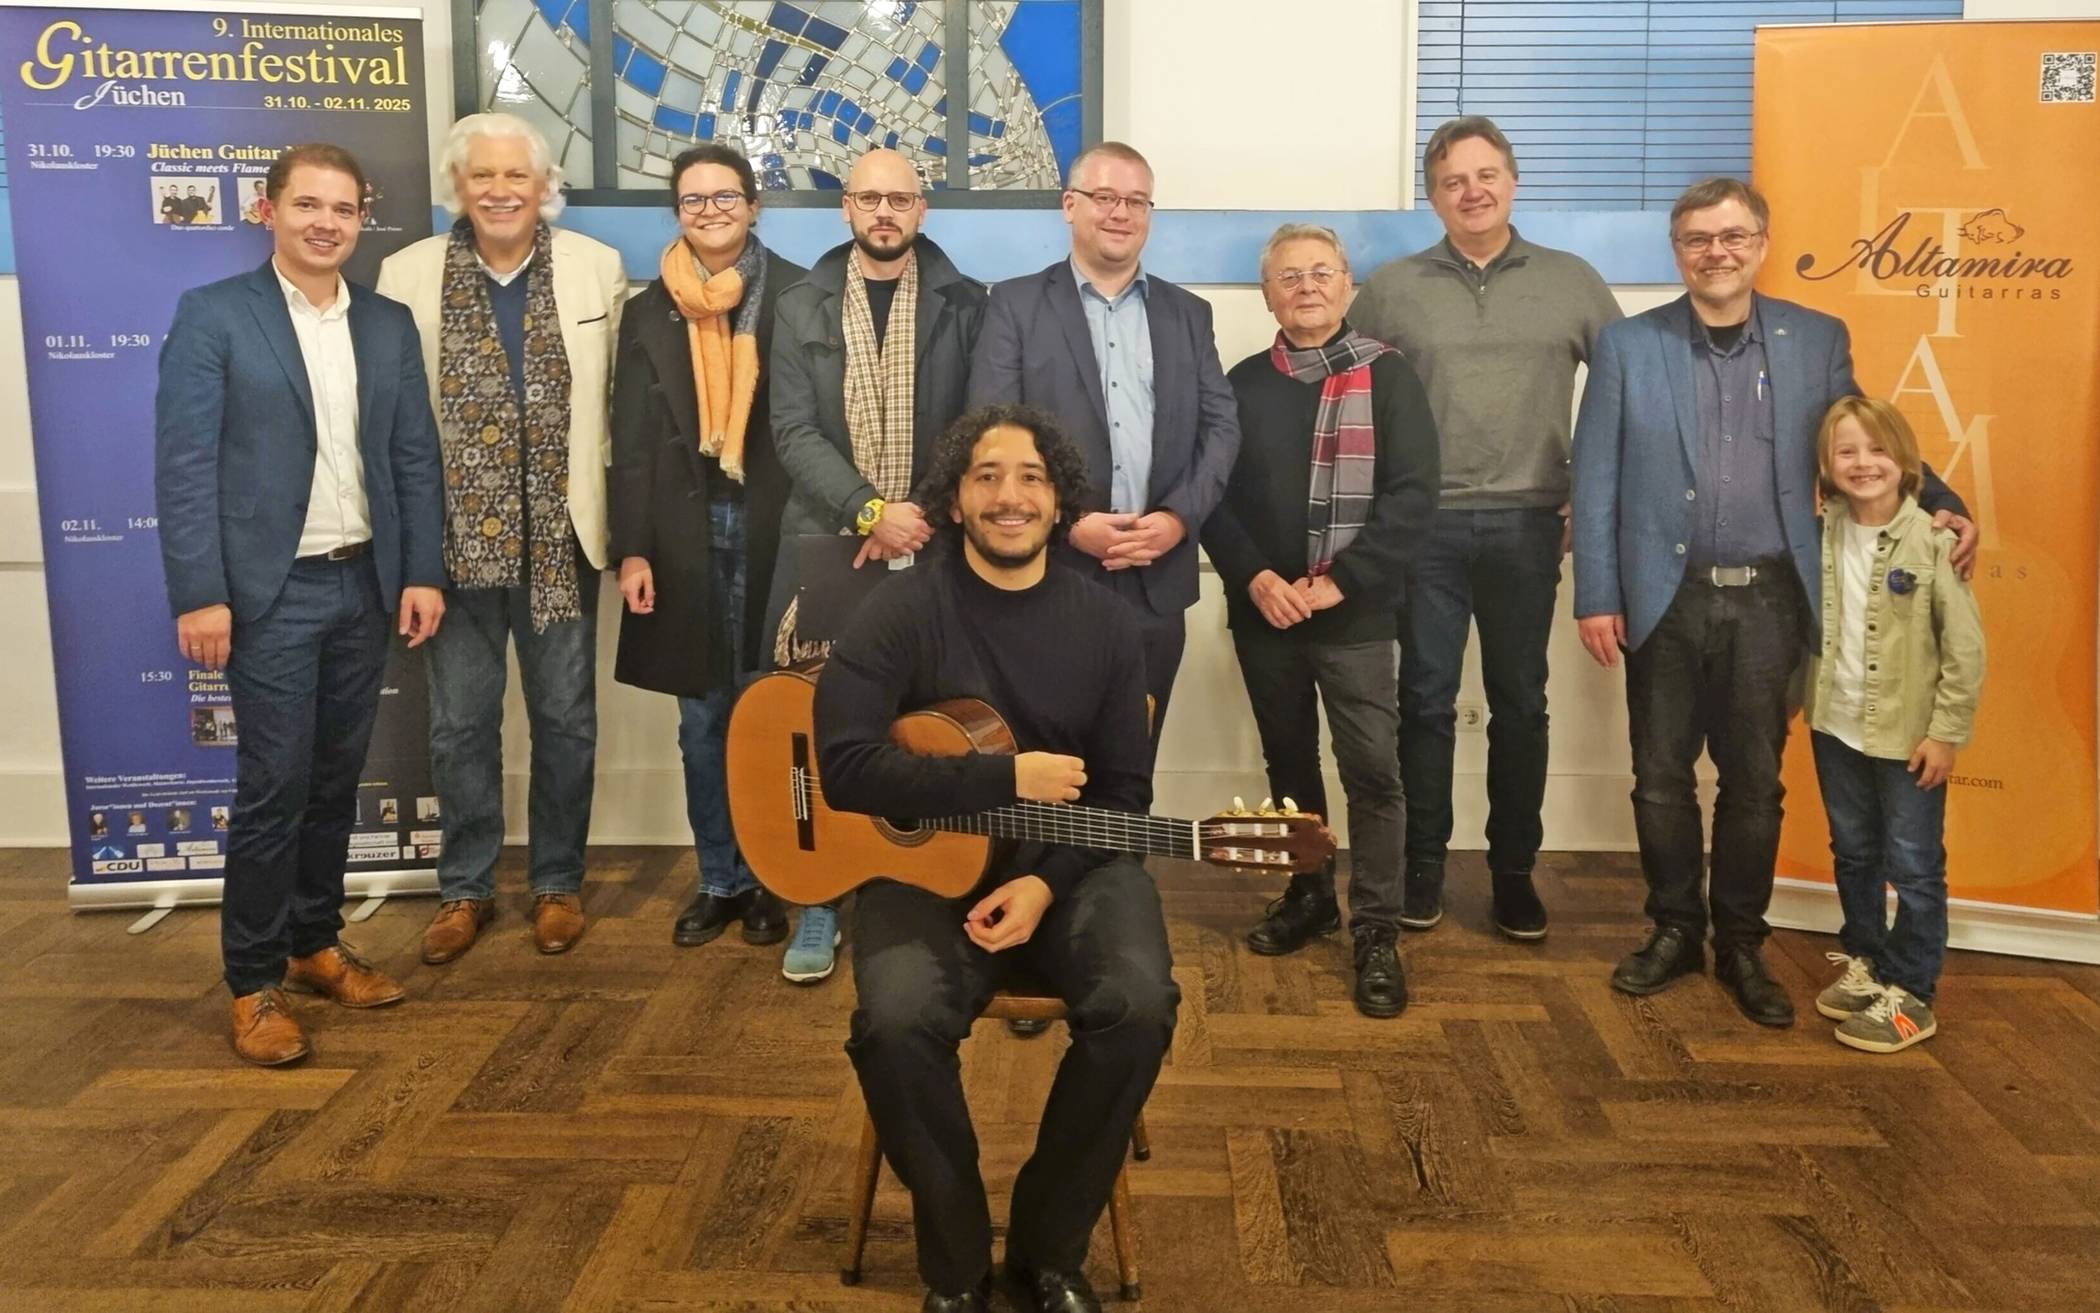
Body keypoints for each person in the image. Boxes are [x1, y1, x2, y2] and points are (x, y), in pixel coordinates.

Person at [1571, 176, 1976, 1027]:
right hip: (1662, 600)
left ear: (1759, 243)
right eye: (1697, 239)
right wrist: (1597, 594)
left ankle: (1741, 944)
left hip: (1771, 602)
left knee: (1755, 784)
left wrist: (1942, 497)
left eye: (1732, 237)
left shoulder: (1815, 339)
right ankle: (1675, 929)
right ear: (1677, 251)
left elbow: (1859, 433)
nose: (1715, 252)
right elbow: (1595, 474)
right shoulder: (1626, 345)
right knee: (1658, 779)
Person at [816, 404, 1176, 1313]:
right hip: (923, 877)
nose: (1008, 495)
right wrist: (1002, 776)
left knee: (1138, 1005)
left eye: (1030, 478)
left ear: (1060, 503)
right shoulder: (900, 609)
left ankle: (1050, 1250)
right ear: (955, 497)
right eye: (986, 476)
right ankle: (959, 1259)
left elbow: (1122, 798)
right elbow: (848, 767)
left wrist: (1039, 884)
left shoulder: (1107, 623)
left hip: (1072, 868)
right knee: (894, 1023)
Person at [154, 143, 446, 1066]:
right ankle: (252, 983)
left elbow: (413, 458)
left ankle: (314, 943)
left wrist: (421, 571)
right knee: (273, 788)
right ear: (268, 209)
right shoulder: (213, 317)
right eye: (308, 204)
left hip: (364, 584)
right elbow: (185, 467)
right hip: (267, 595)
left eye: (344, 208)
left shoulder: (389, 324)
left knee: (332, 783)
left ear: (363, 218)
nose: (327, 222)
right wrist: (200, 593)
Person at [1351, 116, 1623, 940]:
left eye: (1485, 175)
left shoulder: (1573, 280)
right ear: (1432, 197)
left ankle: (1513, 873)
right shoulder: (1393, 287)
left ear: (1513, 180)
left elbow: (1624, 396)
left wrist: (1591, 487)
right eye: (1452, 181)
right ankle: (1424, 866)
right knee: (1425, 702)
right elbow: (1351, 403)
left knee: (1522, 704)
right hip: (1422, 529)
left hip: (1530, 525)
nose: (1471, 191)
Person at [377, 112, 628, 963]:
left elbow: (619, 415)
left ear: (542, 184)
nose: (498, 191)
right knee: (458, 725)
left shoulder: (596, 269)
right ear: (458, 187)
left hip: (562, 537)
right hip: (451, 546)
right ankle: (466, 890)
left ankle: (557, 882)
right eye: (481, 176)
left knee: (566, 720)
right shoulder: (405, 275)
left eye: (514, 176)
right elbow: (396, 426)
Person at [760, 146, 987, 985]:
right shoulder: (800, 302)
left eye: (900, 199)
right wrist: (867, 511)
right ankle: (820, 895)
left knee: (938, 717)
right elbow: (791, 431)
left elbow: (977, 424)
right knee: (820, 716)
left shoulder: (968, 302)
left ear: (922, 209)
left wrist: (912, 517)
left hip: (934, 540)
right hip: (829, 538)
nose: (884, 213)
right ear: (845, 208)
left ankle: (938, 884)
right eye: (869, 199)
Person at [1202, 223, 1438, 1018]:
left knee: (1374, 773)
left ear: (1347, 285)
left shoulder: (1391, 379)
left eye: (1322, 272)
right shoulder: (1237, 385)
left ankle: (1376, 929)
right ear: (1267, 294)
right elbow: (1213, 499)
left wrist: (1342, 583)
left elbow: (1413, 499)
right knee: (1289, 767)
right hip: (1264, 610)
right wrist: (1258, 577)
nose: (1307, 286)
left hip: (1357, 615)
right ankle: (1309, 897)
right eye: (1289, 277)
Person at [967, 141, 1239, 740]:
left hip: (1155, 576)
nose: (1121, 213)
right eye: (1105, 197)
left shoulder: (1188, 314)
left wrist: (1177, 519)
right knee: (1044, 764)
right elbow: (992, 436)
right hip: (1048, 571)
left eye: (1136, 201)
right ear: (1070, 205)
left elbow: (1221, 429)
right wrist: (1067, 522)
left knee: (1132, 765)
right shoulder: (1013, 304)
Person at [609, 144, 806, 951]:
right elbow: (631, 440)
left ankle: (772, 879)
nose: (710, 211)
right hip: (683, 539)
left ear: (755, 205)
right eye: (693, 200)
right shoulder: (650, 309)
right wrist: (633, 550)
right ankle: (719, 878)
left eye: (726, 196)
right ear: (676, 212)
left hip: (778, 532)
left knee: (775, 712)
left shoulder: (799, 293)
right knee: (702, 722)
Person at [1803, 397, 1984, 1053]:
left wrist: (1946, 732)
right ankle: (1868, 961)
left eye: (1878, 450)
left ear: (1907, 461)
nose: (1863, 463)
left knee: (1913, 866)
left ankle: (1913, 993)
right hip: (1837, 727)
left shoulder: (1933, 540)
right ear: (1825, 464)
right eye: (1846, 451)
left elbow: (1965, 651)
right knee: (1853, 851)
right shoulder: (1818, 533)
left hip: (1908, 736)